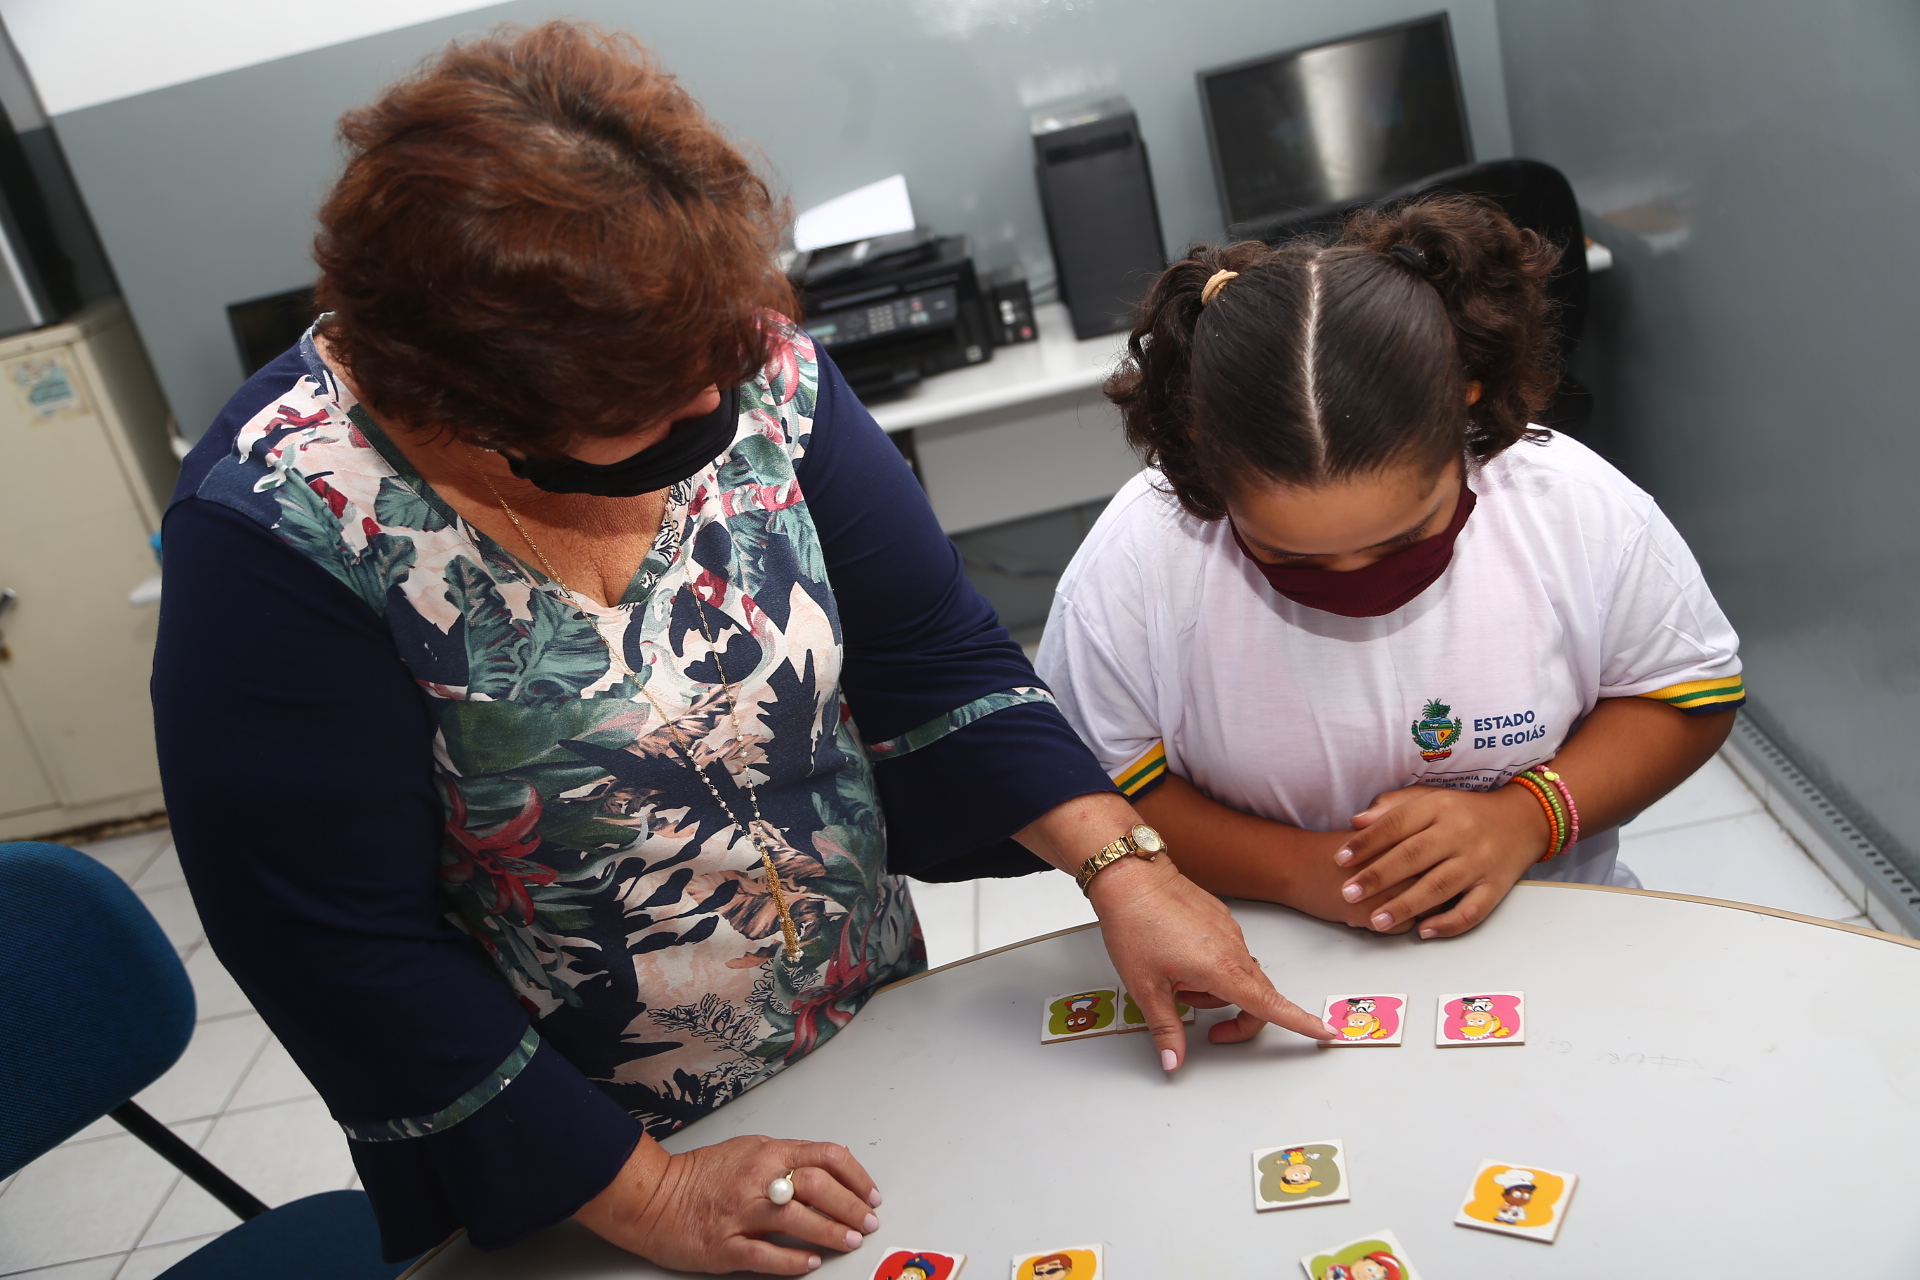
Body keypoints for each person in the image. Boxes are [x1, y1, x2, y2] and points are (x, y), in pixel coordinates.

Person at [149, 23, 1332, 1274]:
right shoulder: (279, 528)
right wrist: (650, 1191)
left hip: (872, 1030)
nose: (720, 413)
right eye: (656, 411)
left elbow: (935, 653)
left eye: (724, 368)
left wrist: (1128, 866)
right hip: (566, 1154)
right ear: (474, 409)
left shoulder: (730, 359)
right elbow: (333, 945)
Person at [1038, 194, 1744, 940]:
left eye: (1404, 540)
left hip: (1551, 927)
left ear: (1466, 408)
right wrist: (1294, 870)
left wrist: (1527, 818)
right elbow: (1099, 791)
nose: (1353, 579)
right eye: (1289, 554)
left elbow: (1685, 693)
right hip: (1260, 943)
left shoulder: (1571, 505)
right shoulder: (1138, 560)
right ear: (1203, 457)